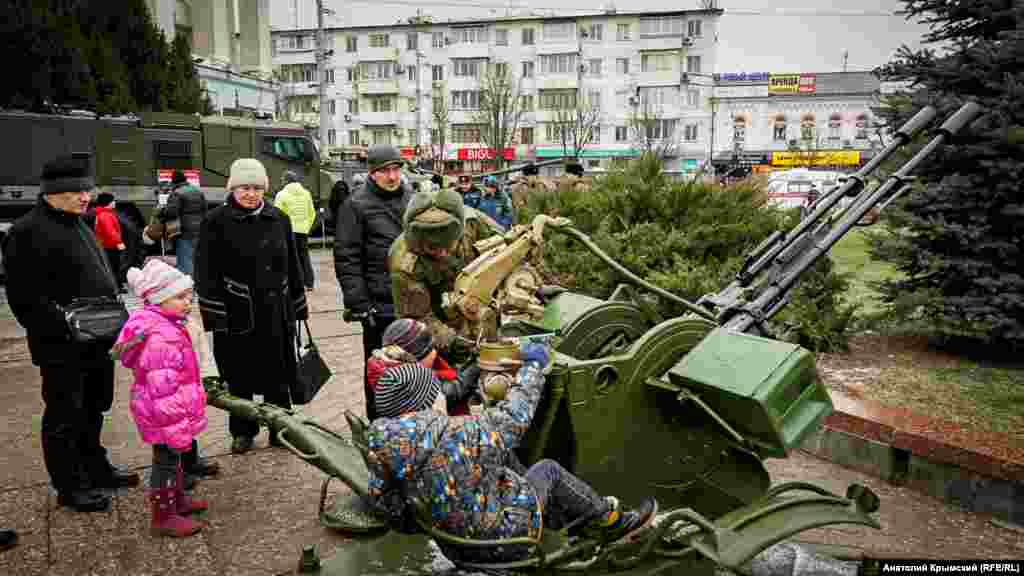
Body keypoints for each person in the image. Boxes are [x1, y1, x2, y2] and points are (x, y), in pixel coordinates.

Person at [364, 341, 657, 565]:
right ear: (427, 400)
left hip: (453, 546)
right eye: (437, 391)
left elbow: (390, 509)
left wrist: (440, 514)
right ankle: (614, 522)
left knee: (500, 466)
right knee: (547, 471)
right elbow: (515, 416)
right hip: (503, 542)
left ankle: (569, 519)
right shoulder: (460, 433)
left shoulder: (381, 446)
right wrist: (533, 365)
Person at [2, 156, 140, 513]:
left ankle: (95, 466)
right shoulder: (27, 231)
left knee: (95, 406)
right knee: (65, 414)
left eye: (87, 189)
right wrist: (66, 327)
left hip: (97, 338)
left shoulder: (79, 222)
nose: (86, 196)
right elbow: (25, 298)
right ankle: (70, 484)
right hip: (63, 346)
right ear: (52, 192)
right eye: (77, 190)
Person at [195, 158, 308, 454]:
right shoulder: (214, 221)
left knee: (277, 375)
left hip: (275, 311)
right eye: (244, 187)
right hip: (236, 313)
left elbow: (292, 264)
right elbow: (204, 271)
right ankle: (242, 430)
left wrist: (298, 303)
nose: (251, 194)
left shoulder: (279, 218)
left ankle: (280, 428)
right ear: (232, 188)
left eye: (257, 188)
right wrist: (214, 315)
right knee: (238, 377)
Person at [111, 259, 209, 538]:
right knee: (165, 462)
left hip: (170, 410)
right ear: (158, 299)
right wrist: (176, 422)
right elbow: (162, 387)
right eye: (179, 297)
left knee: (172, 459)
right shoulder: (160, 336)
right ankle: (163, 516)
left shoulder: (166, 323)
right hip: (166, 413)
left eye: (189, 297)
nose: (187, 303)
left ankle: (177, 502)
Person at [334, 145, 414, 421]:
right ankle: (378, 424)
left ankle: (411, 422)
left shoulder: (411, 199)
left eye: (396, 169)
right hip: (378, 305)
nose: (392, 177)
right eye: (384, 171)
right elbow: (347, 258)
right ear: (372, 173)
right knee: (381, 368)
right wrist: (359, 303)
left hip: (412, 300)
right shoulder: (355, 205)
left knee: (414, 366)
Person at [388, 188, 504, 365]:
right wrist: (450, 341)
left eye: (447, 246)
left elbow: (507, 251)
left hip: (482, 310)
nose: (442, 254)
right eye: (432, 249)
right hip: (441, 323)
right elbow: (417, 317)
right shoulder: (404, 263)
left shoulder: (472, 223)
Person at [367, 319, 475, 419]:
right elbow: (448, 393)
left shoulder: (387, 365)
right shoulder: (406, 380)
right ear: (416, 358)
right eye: (431, 348)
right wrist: (474, 370)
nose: (435, 351)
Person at [274, 170, 317, 291]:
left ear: (286, 181)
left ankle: (296, 283)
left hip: (288, 230)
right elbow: (312, 213)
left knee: (291, 257)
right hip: (303, 230)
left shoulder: (281, 194)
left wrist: (281, 229)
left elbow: (278, 214)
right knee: (304, 256)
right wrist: (306, 226)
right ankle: (309, 283)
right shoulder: (306, 193)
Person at [159, 170, 207, 275]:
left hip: (184, 230)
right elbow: (205, 209)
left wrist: (161, 211)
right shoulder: (198, 191)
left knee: (185, 259)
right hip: (199, 229)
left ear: (174, 182)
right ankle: (197, 282)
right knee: (196, 258)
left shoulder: (177, 193)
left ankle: (187, 284)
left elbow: (171, 212)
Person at [92, 192, 127, 290]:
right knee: (114, 267)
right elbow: (110, 231)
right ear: (108, 202)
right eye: (113, 201)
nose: (115, 202)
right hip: (109, 246)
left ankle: (116, 286)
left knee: (111, 266)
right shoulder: (105, 215)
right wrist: (119, 242)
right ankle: (116, 287)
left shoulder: (103, 214)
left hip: (107, 245)